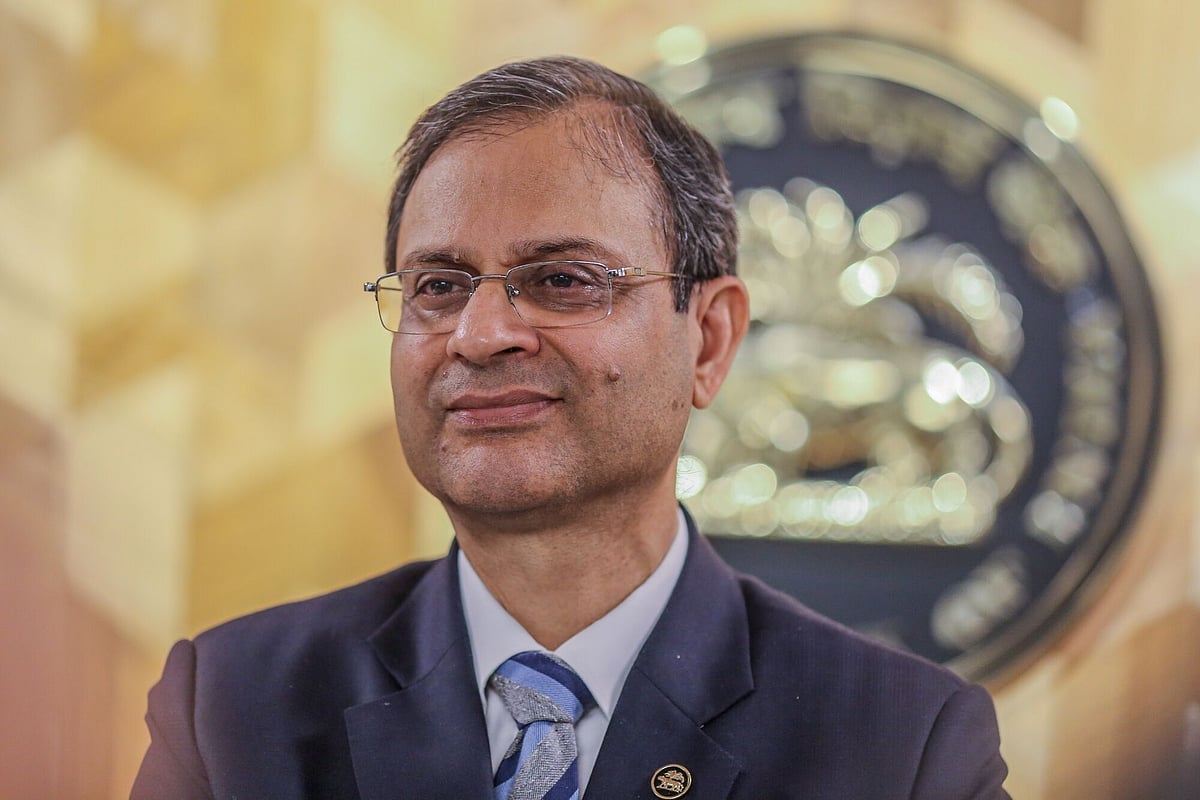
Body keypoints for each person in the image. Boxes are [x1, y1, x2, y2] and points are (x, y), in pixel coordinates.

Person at [131, 56, 1010, 800]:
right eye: (438, 287)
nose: (479, 335)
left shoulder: (904, 747)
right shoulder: (234, 711)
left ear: (709, 340)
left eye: (561, 281)